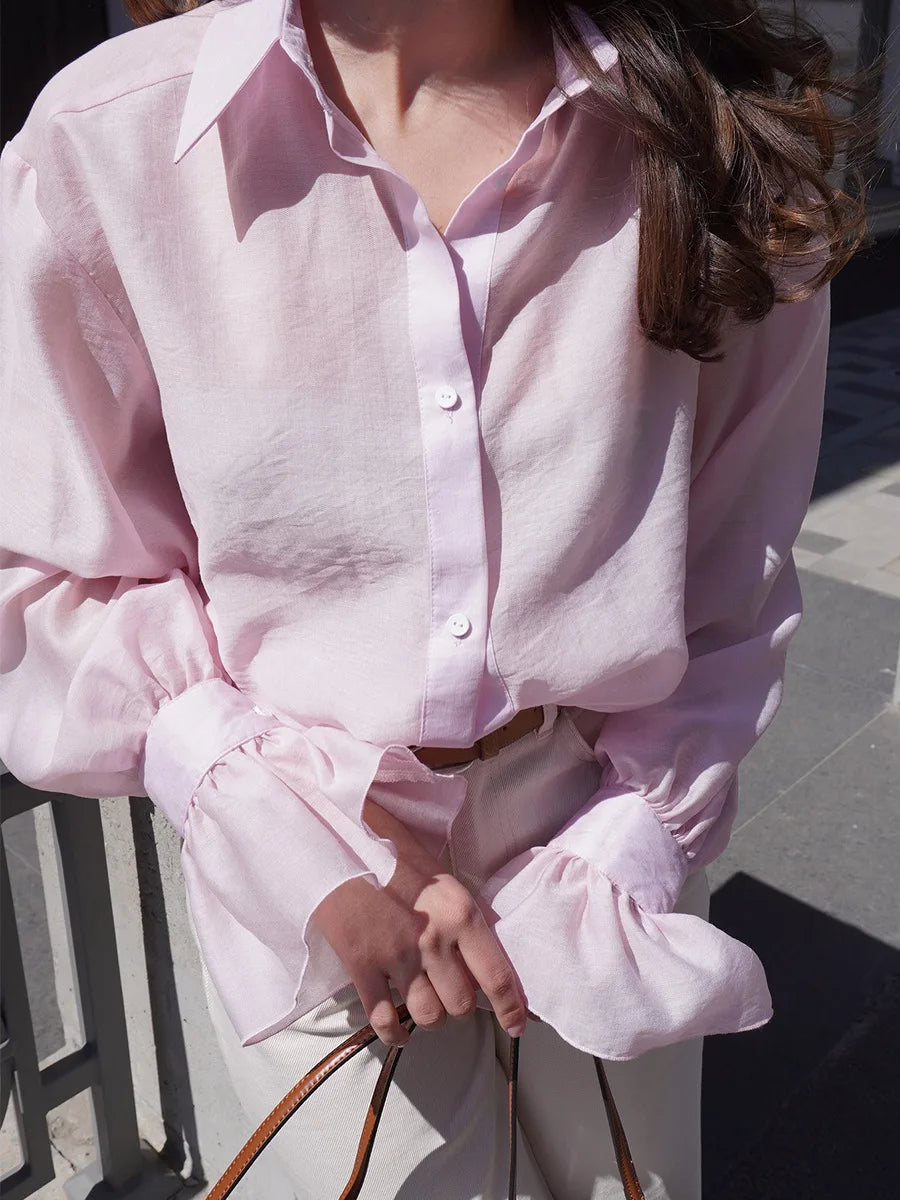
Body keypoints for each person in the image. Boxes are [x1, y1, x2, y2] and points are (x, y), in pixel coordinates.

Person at [0, 0, 879, 1196]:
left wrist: (632, 840)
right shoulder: (115, 142)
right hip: (307, 853)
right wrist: (269, 818)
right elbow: (44, 566)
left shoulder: (713, 138)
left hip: (599, 821)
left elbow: (736, 567)